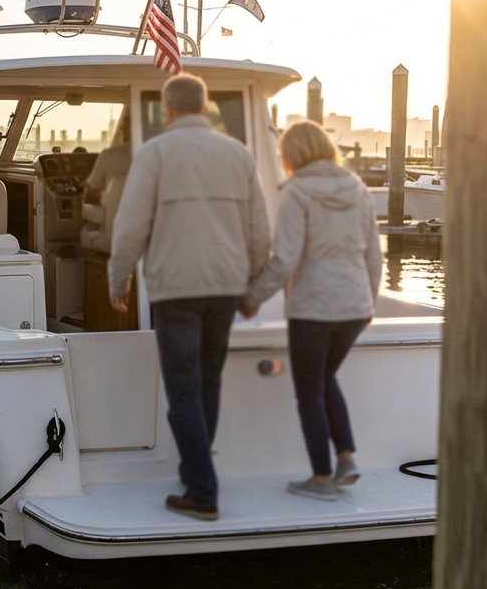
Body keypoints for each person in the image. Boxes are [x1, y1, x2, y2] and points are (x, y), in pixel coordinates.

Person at [108, 74, 270, 521]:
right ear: (205, 106)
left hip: (176, 288)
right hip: (226, 289)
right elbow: (260, 231)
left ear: (168, 108)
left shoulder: (155, 153)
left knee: (182, 388)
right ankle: (195, 472)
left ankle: (201, 492)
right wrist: (252, 286)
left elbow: (130, 226)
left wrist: (118, 280)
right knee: (208, 382)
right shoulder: (239, 154)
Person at [241, 121, 382, 501]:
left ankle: (321, 480)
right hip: (354, 305)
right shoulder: (358, 189)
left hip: (314, 309)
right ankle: (346, 459)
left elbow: (285, 260)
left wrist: (252, 296)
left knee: (309, 392)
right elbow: (374, 254)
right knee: (325, 378)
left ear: (291, 154)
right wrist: (369, 301)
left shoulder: (297, 191)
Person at [80, 113, 132, 252]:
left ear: (123, 129)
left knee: (86, 226)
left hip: (116, 240)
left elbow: (91, 191)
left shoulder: (109, 155)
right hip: (152, 242)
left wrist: (81, 186)